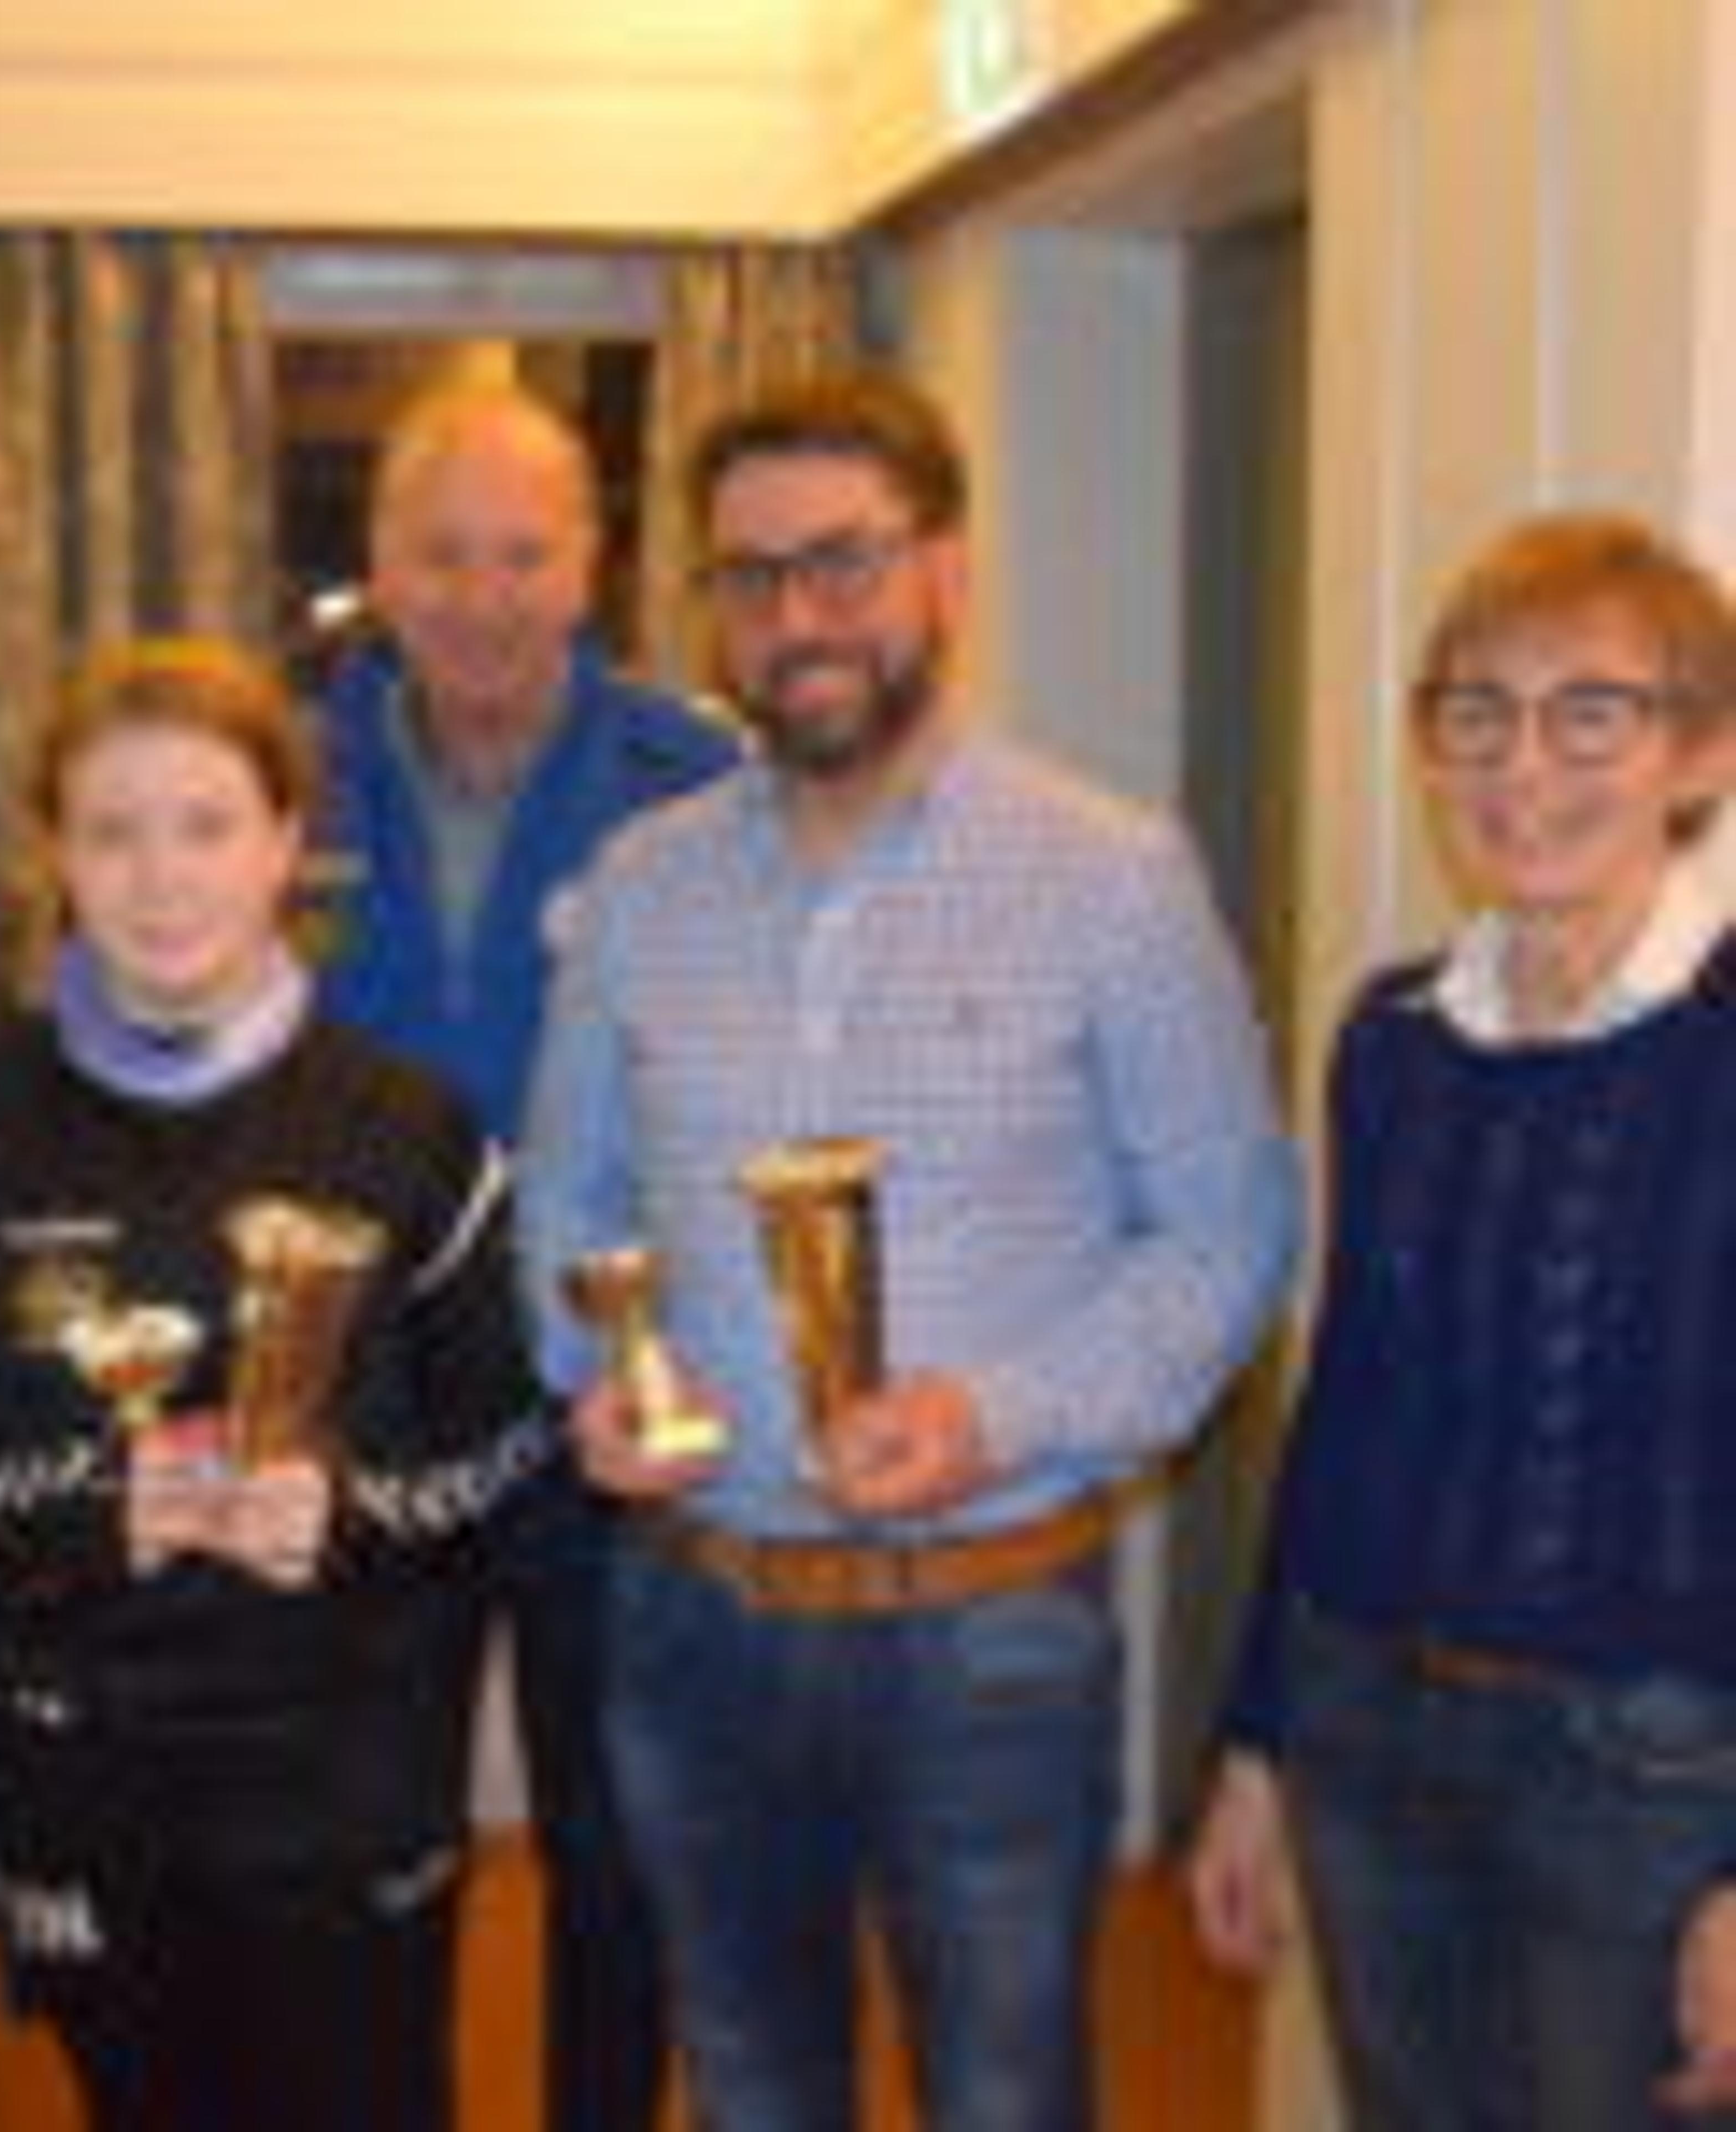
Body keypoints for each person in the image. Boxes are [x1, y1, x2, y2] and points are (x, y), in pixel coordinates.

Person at [520, 366, 1299, 2132]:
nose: (799, 619)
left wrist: (995, 1415)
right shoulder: (640, 885)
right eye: (751, 576)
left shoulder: (1113, 874)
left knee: (1005, 2095)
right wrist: (600, 1373)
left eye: (845, 562)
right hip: (698, 1618)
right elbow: (568, 1200)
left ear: (944, 569)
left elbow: (1231, 1232)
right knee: (749, 2084)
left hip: (990, 1629)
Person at [0, 637, 549, 2132]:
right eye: (113, 832)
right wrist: (102, 1507)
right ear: (57, 856)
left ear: (286, 843)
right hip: (85, 1781)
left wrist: (347, 1511)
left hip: (348, 1778)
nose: (163, 878)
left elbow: (502, 1439)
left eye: (208, 826)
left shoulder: (411, 1131)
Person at [1186, 512, 1736, 2129]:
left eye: (1592, 714)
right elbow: (1348, 1399)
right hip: (1365, 1725)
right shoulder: (1394, 1039)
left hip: (1652, 1775)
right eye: (1477, 713)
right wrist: (1258, 1748)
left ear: (1701, 755)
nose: (1523, 765)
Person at [318, 378, 738, 2130]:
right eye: (443, 554)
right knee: (370, 1850)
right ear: (380, 566)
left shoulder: (699, 779)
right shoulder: (275, 773)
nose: (484, 597)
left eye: (523, 554)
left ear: (591, 564)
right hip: (359, 1405)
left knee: (617, 1847)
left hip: (604, 1401)